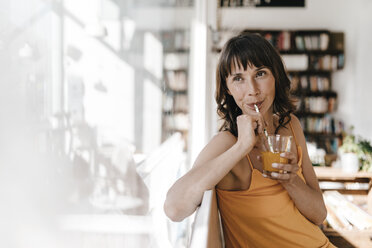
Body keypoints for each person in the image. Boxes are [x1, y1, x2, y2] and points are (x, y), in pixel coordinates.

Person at [164, 32, 335, 247]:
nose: (252, 90)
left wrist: (290, 180)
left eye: (260, 74)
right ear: (228, 88)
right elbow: (174, 209)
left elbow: (319, 214)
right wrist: (242, 146)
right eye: (238, 79)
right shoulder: (227, 143)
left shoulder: (290, 125)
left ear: (276, 76)